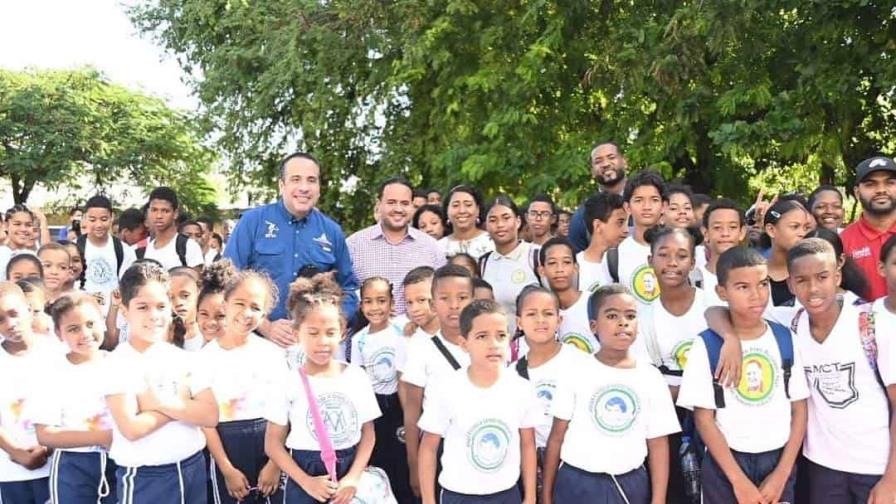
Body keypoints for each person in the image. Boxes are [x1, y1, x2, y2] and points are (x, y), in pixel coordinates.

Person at [677, 247, 809, 504]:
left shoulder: (785, 338)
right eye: (742, 287)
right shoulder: (707, 345)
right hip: (725, 462)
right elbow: (704, 418)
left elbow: (800, 409)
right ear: (722, 292)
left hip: (778, 458)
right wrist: (738, 481)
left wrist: (782, 474)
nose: (756, 295)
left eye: (762, 284)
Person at [543, 285, 680, 504]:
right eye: (612, 315)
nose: (623, 322)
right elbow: (557, 436)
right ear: (593, 326)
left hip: (630, 483)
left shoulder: (650, 377)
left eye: (630, 316)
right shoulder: (576, 370)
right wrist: (547, 496)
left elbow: (658, 444)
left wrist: (658, 499)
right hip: (577, 482)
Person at [103, 262, 218, 503]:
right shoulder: (118, 363)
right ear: (125, 311)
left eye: (161, 306)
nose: (154, 316)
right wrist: (185, 406)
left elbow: (210, 415)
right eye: (142, 307)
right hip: (147, 478)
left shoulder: (183, 358)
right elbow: (132, 429)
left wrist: (158, 403)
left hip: (192, 469)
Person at [264, 273, 380, 504]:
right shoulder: (287, 381)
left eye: (330, 333)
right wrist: (306, 481)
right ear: (297, 334)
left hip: (349, 470)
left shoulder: (356, 377)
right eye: (313, 333)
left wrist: (353, 477)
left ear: (342, 332)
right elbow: (273, 444)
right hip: (304, 473)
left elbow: (368, 434)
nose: (323, 341)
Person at [225, 152, 360, 348]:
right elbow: (227, 282)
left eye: (311, 180)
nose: (304, 188)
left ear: (319, 188)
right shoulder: (252, 222)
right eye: (295, 179)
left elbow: (348, 289)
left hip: (314, 348)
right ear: (282, 185)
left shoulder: (332, 232)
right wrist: (265, 326)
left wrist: (336, 321)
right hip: (256, 342)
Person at [418, 299, 539, 504]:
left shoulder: (521, 388)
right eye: (482, 336)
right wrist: (428, 500)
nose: (493, 344)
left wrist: (530, 496)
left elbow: (528, 444)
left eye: (500, 336)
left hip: (506, 494)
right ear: (464, 344)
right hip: (458, 495)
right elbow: (428, 448)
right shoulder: (447, 388)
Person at [200, 269, 285, 504]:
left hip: (270, 445)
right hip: (227, 448)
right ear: (225, 304)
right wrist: (226, 469)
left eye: (256, 308)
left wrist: (275, 464)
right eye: (239, 303)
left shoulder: (273, 354)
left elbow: (284, 413)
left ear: (265, 313)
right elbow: (206, 423)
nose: (247, 313)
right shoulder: (204, 359)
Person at [33, 293, 117, 503]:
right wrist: (100, 437)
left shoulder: (119, 364)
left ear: (102, 322)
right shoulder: (52, 373)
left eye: (91, 324)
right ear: (59, 333)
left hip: (119, 461)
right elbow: (45, 434)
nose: (85, 333)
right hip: (73, 465)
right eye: (73, 329)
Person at [401, 264, 474, 499]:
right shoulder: (420, 348)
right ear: (433, 303)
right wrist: (414, 464)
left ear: (473, 299)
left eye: (462, 297)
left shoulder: (486, 341)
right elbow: (412, 412)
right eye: (444, 298)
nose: (454, 306)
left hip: (483, 441)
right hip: (438, 447)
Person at [513, 285, 592, 499]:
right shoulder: (512, 373)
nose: (540, 320)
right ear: (519, 322)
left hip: (573, 465)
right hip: (531, 467)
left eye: (548, 313)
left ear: (559, 320)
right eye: (531, 314)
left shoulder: (581, 363)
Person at [349, 277, 413, 503]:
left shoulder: (402, 329)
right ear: (361, 305)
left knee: (404, 462)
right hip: (374, 408)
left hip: (400, 403)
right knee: (380, 460)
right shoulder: (359, 340)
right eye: (368, 302)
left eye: (381, 300)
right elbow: (358, 379)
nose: (375, 307)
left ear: (392, 303)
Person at [347, 176, 446, 315]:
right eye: (391, 202)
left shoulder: (431, 247)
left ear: (412, 206)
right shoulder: (354, 245)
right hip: (368, 333)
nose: (398, 209)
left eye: (405, 203)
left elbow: (443, 293)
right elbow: (343, 293)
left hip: (419, 334)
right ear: (379, 204)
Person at [0, 282, 53, 503]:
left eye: (14, 313)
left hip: (56, 466)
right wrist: (15, 451)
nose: (10, 323)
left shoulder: (57, 352)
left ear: (29, 310)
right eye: (0, 319)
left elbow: (73, 405)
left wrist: (49, 445)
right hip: (10, 470)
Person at [600, 170, 668, 305]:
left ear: (664, 206)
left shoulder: (679, 249)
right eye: (638, 200)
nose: (647, 207)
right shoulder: (614, 257)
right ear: (627, 207)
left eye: (654, 200)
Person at [479, 195, 540, 327]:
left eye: (506, 218)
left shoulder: (536, 255)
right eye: (493, 220)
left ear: (518, 221)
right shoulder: (483, 263)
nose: (500, 225)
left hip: (531, 343)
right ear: (486, 226)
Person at [842, 156, 896, 301]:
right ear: (857, 192)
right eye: (871, 184)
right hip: (863, 322)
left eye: (889, 183)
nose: (881, 190)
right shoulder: (843, 242)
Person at [79, 195, 137, 313]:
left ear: (112, 218)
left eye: (104, 219)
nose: (98, 225)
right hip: (83, 314)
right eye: (92, 219)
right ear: (85, 218)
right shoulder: (75, 248)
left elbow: (130, 285)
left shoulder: (124, 250)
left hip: (116, 316)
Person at [539, 237, 596, 354]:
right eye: (552, 263)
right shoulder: (541, 313)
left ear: (576, 268)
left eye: (566, 262)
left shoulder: (595, 304)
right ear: (542, 270)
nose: (559, 269)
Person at [569, 142, 629, 252]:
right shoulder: (582, 215)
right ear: (592, 171)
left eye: (611, 157)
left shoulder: (646, 202)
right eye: (598, 161)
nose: (606, 164)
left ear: (625, 161)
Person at [695, 199, 747, 307]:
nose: (725, 233)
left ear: (742, 232)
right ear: (705, 233)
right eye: (717, 227)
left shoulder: (756, 277)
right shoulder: (693, 279)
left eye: (732, 227)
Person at [761, 199, 812, 306]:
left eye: (806, 228)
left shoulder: (813, 272)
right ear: (771, 230)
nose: (802, 233)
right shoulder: (753, 273)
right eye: (795, 227)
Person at [140, 187, 205, 271]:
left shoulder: (189, 247)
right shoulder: (143, 250)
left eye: (165, 211)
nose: (159, 216)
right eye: (154, 210)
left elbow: (196, 281)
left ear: (175, 213)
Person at [577, 192, 628, 292]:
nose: (626, 230)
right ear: (598, 226)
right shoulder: (574, 268)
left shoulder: (627, 261)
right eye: (620, 223)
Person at [438, 185, 494, 259]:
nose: (462, 211)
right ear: (447, 210)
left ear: (478, 209)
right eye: (455, 205)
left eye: (468, 205)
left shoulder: (492, 242)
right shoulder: (438, 247)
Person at [169, 267, 204, 351]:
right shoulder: (160, 336)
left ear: (199, 293)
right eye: (171, 297)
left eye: (185, 296)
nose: (178, 302)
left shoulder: (212, 332)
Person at [0, 205, 38, 280]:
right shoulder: (2, 254)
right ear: (6, 226)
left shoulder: (36, 257)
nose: (23, 229)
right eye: (17, 224)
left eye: (28, 225)